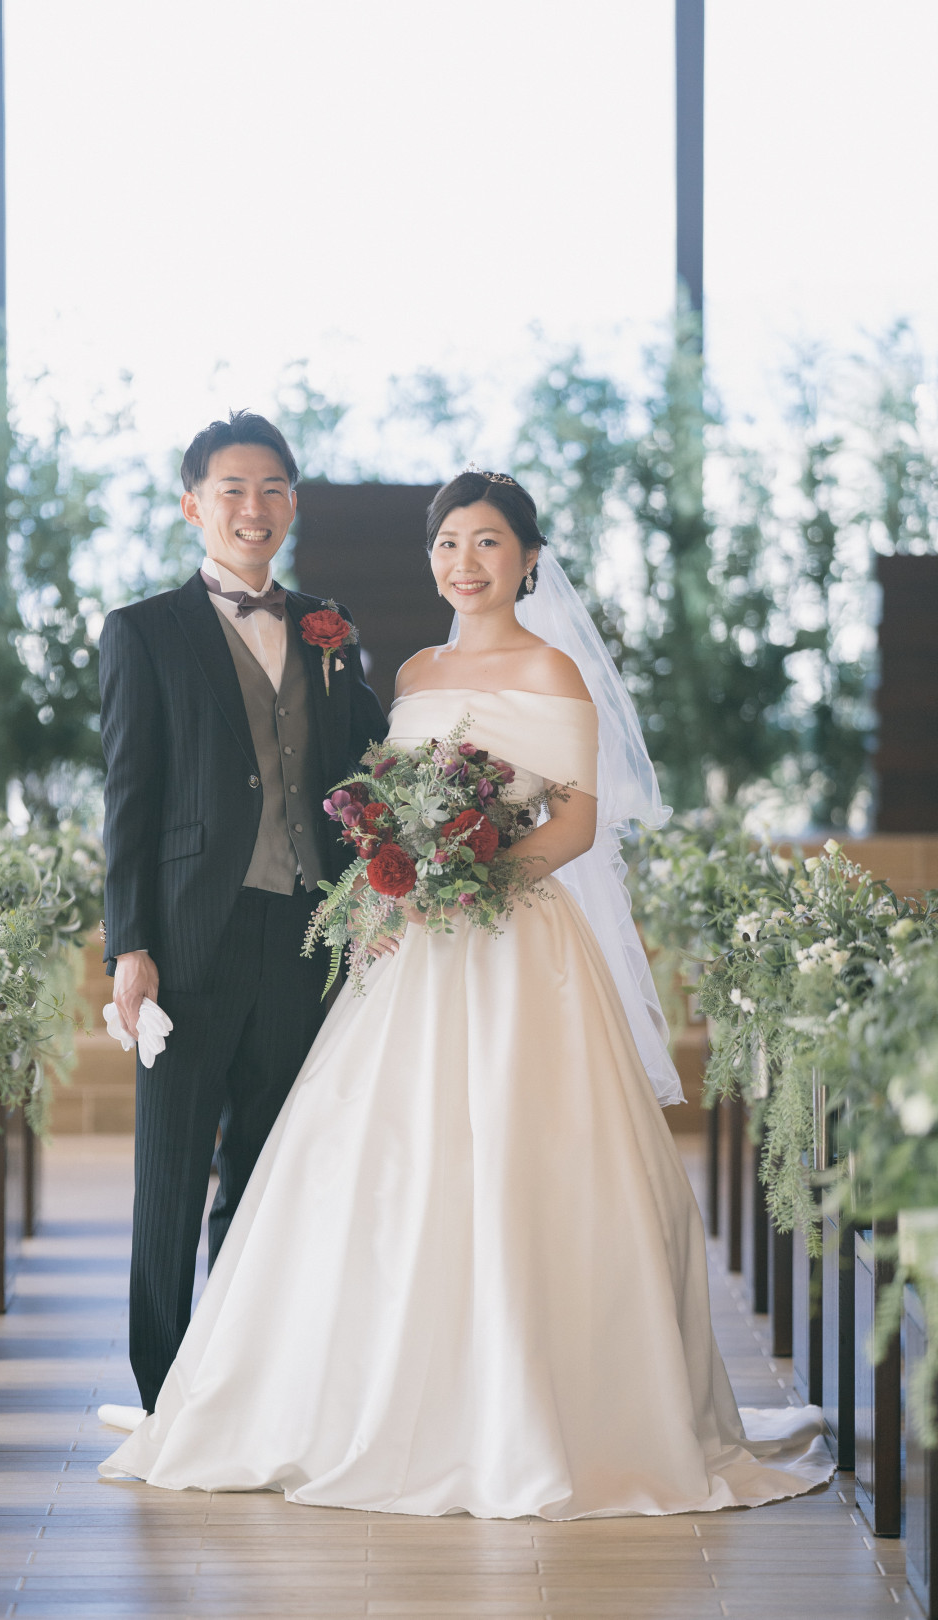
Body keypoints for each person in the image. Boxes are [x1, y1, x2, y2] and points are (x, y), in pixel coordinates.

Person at [99, 469, 832, 1519]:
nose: (464, 562)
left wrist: (469, 879)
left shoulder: (557, 671)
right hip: (409, 947)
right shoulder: (406, 666)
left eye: (488, 543)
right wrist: (403, 876)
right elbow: (367, 791)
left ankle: (525, 1405)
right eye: (448, 543)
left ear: (529, 559)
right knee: (378, 1163)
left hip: (515, 941)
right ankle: (322, 1392)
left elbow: (575, 826)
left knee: (525, 1160)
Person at [98, 410, 387, 1415]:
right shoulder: (143, 631)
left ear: (292, 504)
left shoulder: (331, 629)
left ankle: (242, 1377)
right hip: (187, 938)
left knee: (268, 1173)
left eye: (271, 489)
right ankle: (161, 1390)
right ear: (194, 505)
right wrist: (128, 947)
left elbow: (367, 773)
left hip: (306, 936)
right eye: (231, 489)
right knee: (171, 1175)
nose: (252, 508)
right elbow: (127, 803)